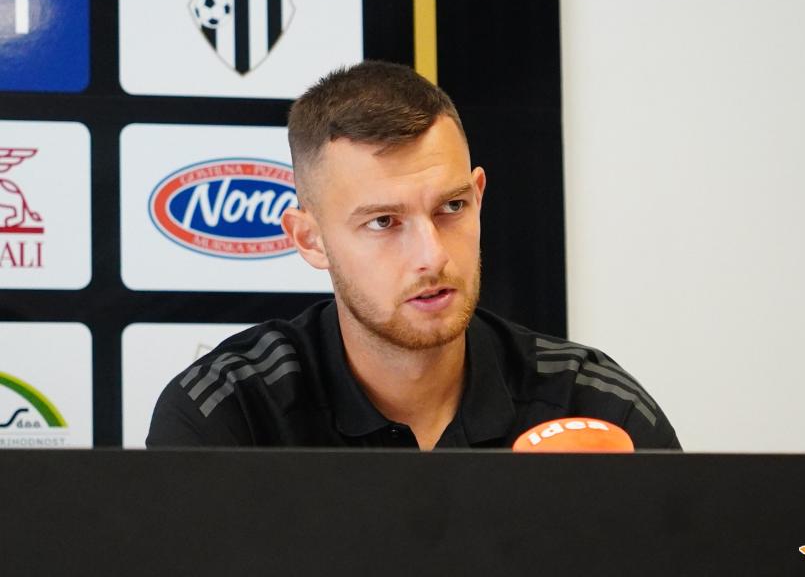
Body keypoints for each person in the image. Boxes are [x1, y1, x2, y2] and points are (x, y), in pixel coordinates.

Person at [147, 61, 680, 450]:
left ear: (478, 197)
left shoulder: (592, 408)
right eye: (384, 221)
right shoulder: (230, 416)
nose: (432, 255)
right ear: (310, 239)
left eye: (452, 207)